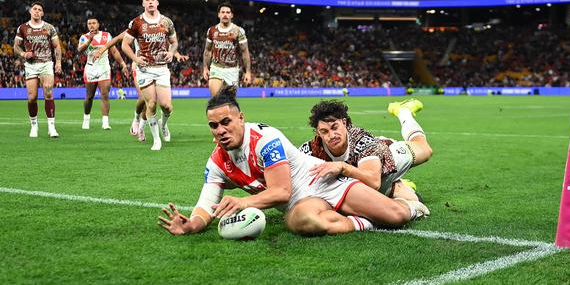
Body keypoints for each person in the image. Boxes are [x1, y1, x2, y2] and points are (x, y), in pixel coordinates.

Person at [158, 87, 429, 237]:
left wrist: (243, 202)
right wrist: (192, 224)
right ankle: (365, 220)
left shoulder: (265, 138)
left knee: (397, 215)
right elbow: (206, 203)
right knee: (305, 222)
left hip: (333, 180)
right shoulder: (217, 161)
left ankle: (409, 198)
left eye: (226, 121)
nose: (220, 130)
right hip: (303, 201)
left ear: (241, 118)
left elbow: (281, 191)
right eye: (214, 125)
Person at [300, 99, 433, 201]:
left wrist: (343, 167)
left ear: (344, 123)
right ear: (318, 133)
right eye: (324, 132)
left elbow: (373, 182)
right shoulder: (311, 149)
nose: (331, 135)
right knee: (415, 199)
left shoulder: (362, 141)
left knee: (425, 149)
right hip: (366, 178)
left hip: (387, 155)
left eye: (334, 127)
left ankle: (403, 112)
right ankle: (396, 184)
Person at [94, 31, 188, 143]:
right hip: (140, 68)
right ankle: (137, 119)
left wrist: (176, 55)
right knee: (144, 99)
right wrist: (101, 49)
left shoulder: (161, 26)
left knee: (158, 103)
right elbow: (118, 38)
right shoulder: (137, 26)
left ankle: (146, 127)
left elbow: (168, 44)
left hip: (158, 68)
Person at [121, 0, 179, 150]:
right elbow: (124, 45)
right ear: (143, 3)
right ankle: (156, 140)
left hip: (161, 68)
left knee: (167, 106)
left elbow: (174, 42)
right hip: (144, 69)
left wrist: (172, 52)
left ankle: (164, 124)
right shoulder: (136, 23)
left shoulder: (167, 22)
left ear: (157, 2)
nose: (151, 2)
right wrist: (135, 59)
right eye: (147, 0)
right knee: (151, 104)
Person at [13, 1, 62, 138]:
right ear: (30, 11)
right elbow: (16, 46)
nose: (37, 11)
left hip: (46, 63)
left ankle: (51, 127)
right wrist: (23, 54)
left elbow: (57, 46)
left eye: (39, 9)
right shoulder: (22, 28)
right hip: (31, 65)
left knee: (48, 92)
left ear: (42, 13)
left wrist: (58, 62)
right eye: (34, 9)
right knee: (32, 97)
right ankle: (34, 125)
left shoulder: (49, 27)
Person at [77, 18, 129, 130]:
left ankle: (105, 122)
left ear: (98, 24)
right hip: (90, 69)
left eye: (94, 23)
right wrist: (88, 41)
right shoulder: (84, 37)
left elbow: (114, 51)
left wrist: (123, 64)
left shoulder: (106, 35)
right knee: (89, 97)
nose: (91, 25)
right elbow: (80, 50)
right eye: (89, 24)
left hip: (104, 68)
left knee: (105, 94)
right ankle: (86, 119)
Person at [202, 2, 252, 95]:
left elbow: (245, 52)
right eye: (223, 12)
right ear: (219, 14)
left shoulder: (238, 31)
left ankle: (236, 110)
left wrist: (248, 72)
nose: (225, 14)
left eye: (228, 12)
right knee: (216, 101)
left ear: (232, 15)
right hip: (216, 68)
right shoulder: (212, 31)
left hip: (232, 70)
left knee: (230, 104)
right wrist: (205, 68)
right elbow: (207, 51)